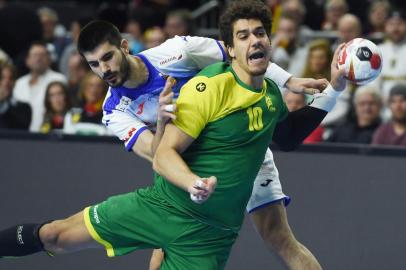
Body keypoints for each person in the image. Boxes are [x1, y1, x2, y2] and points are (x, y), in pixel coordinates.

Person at [0, 5, 344, 268]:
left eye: (107, 57)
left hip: (246, 150)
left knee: (279, 237)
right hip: (186, 175)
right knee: (148, 249)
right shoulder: (113, 110)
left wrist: (289, 81)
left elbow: (242, 54)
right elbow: (159, 154)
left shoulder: (179, 52)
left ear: (124, 47)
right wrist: (174, 144)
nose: (104, 70)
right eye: (93, 65)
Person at [12, 41, 66, 132]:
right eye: (35, 55)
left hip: (48, 135)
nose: (39, 58)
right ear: (27, 60)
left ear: (49, 59)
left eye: (42, 55)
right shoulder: (18, 83)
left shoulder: (59, 79)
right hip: (21, 135)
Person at [0, 64, 31, 130]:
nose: (6, 82)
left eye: (11, 78)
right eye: (2, 78)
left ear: (15, 82)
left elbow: (22, 128)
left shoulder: (25, 108)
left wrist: (4, 101)